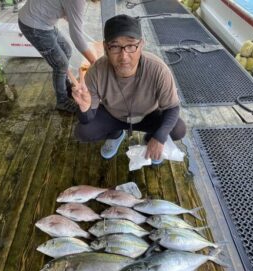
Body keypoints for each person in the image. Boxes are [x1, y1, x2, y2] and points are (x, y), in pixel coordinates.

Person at [70, 14, 186, 164]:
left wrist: (159, 137)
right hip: (113, 116)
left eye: (131, 46)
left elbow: (172, 107)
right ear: (106, 48)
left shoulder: (158, 69)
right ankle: (115, 135)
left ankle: (150, 139)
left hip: (147, 115)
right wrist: (84, 108)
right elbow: (86, 119)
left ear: (141, 45)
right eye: (115, 46)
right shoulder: (96, 71)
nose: (124, 56)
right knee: (83, 131)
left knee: (178, 128)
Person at [18, 0, 96, 113]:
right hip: (34, 25)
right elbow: (76, 36)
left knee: (66, 50)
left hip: (41, 20)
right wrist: (94, 61)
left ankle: (64, 84)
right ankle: (62, 101)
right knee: (60, 65)